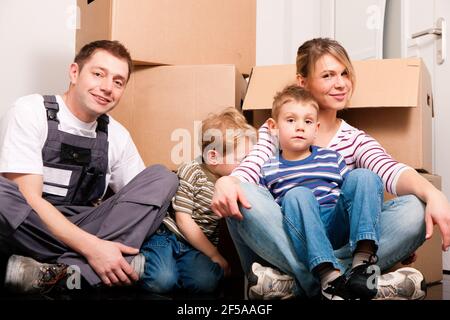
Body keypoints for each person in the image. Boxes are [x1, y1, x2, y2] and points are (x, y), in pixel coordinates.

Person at [211, 38, 450, 299]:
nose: (341, 83)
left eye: (345, 73)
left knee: (415, 209)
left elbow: (390, 170)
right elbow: (250, 169)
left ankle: (295, 285)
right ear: (303, 82)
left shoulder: (354, 139)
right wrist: (227, 182)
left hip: (339, 233)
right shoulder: (276, 132)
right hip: (292, 233)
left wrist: (434, 195)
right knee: (243, 194)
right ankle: (359, 286)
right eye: (328, 75)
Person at [0, 40, 178, 295]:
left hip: (87, 224)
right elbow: (29, 200)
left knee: (162, 178)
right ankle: (97, 266)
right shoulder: (29, 111)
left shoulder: (117, 135)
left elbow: (140, 205)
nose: (107, 87)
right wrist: (95, 249)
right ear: (74, 73)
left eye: (118, 82)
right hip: (31, 229)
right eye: (98, 74)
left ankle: (54, 273)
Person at [140, 108, 255, 295]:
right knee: (162, 281)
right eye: (241, 159)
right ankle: (140, 260)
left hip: (197, 247)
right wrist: (214, 254)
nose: (246, 165)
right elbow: (183, 221)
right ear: (213, 157)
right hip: (169, 236)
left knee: (206, 283)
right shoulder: (192, 171)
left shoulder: (234, 180)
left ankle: (176, 274)